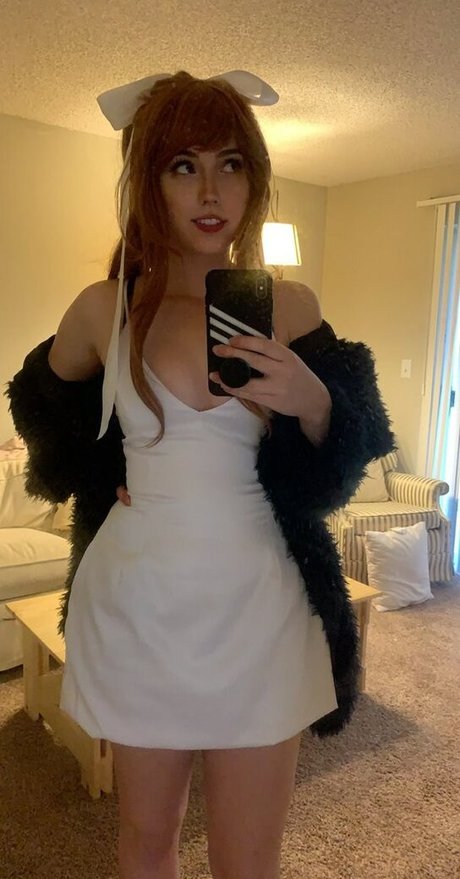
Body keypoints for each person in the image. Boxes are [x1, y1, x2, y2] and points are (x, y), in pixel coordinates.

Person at [7, 70, 396, 879]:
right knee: (147, 841)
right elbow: (40, 409)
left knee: (248, 860)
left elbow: (351, 451)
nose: (211, 190)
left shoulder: (291, 306)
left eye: (231, 163)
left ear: (255, 177)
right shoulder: (104, 308)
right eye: (183, 165)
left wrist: (315, 401)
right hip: (141, 604)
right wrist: (103, 469)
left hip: (262, 606)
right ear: (149, 181)